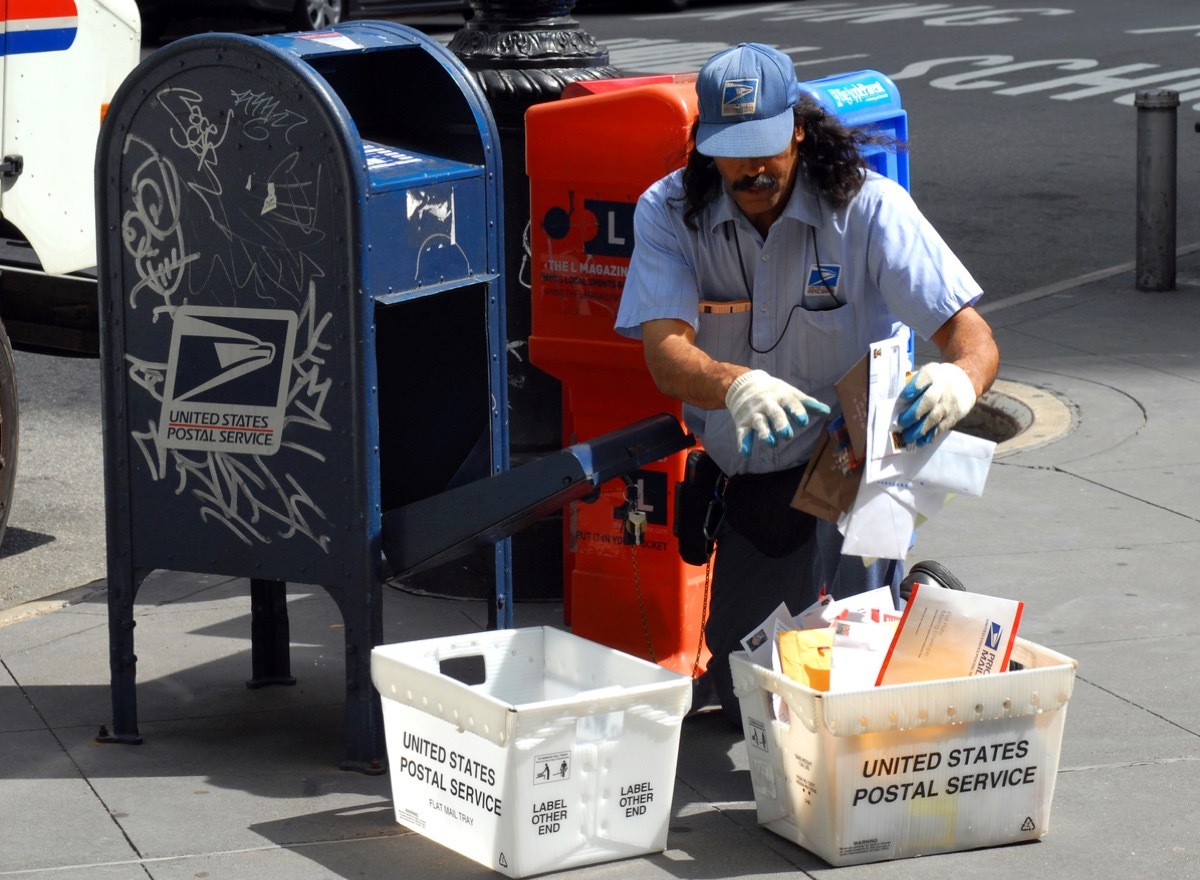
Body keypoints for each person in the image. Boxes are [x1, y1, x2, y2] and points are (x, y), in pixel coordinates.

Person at [614, 43, 999, 719]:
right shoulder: (668, 212)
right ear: (704, 145)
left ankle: (909, 603)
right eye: (732, 150)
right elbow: (664, 353)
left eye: (765, 145)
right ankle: (910, 604)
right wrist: (733, 383)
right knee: (750, 698)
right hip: (753, 477)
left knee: (847, 691)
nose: (751, 168)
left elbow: (973, 337)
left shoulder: (870, 209)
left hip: (850, 470)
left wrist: (960, 381)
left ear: (797, 128)